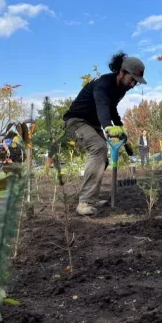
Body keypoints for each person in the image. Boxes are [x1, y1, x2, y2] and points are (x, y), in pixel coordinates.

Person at [63, 51, 145, 215]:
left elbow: (111, 108)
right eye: (132, 80)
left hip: (92, 124)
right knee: (99, 148)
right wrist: (108, 127)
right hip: (75, 121)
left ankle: (90, 197)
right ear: (122, 72)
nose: (133, 85)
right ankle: (84, 202)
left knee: (103, 159)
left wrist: (120, 127)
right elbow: (101, 105)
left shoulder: (121, 89)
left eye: (136, 82)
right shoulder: (103, 84)